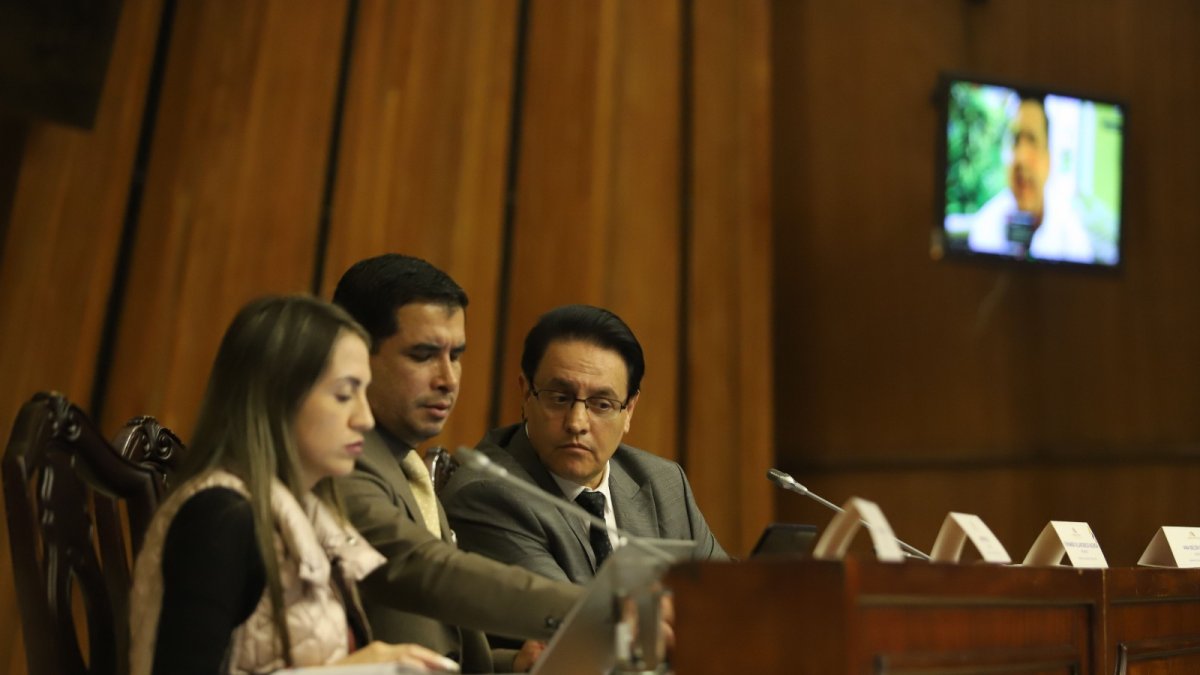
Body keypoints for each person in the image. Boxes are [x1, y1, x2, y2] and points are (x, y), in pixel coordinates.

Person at [129, 295, 459, 674]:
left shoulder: (313, 515)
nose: (365, 419)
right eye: (343, 395)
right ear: (278, 396)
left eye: (363, 394)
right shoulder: (220, 515)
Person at [331, 254, 584, 673]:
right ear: (354, 354)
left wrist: (516, 666)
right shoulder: (341, 465)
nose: (448, 379)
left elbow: (441, 645)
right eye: (423, 354)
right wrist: (592, 609)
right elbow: (427, 571)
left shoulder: (404, 464)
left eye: (457, 355)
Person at [440, 304, 727, 585]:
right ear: (527, 394)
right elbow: (572, 622)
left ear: (629, 411)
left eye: (602, 404)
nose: (577, 423)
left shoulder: (664, 483)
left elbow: (731, 597)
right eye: (560, 398)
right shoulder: (488, 494)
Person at [966, 93, 1094, 262]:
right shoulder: (984, 228)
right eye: (1015, 140)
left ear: (1049, 159)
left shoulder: (1074, 243)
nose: (1021, 157)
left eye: (1032, 140)